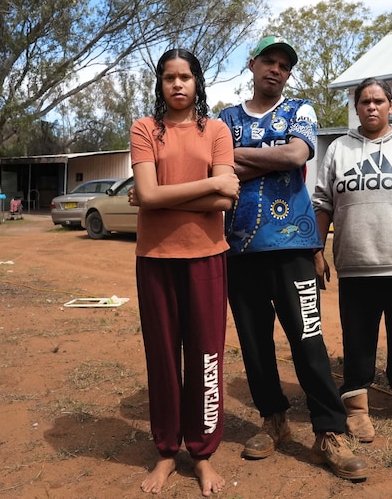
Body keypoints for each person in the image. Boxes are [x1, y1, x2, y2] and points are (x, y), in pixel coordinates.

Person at [218, 36, 367, 481]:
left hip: (294, 245)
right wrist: (267, 159)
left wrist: (235, 158)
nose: (276, 69)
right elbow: (216, 169)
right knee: (255, 343)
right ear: (252, 64)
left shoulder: (300, 110)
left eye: (284, 64)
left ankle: (329, 432)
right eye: (269, 61)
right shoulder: (225, 118)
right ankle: (274, 419)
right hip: (239, 247)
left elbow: (297, 153)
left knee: (308, 341)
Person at [129, 48, 239, 496]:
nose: (177, 85)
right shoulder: (144, 129)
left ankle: (203, 454)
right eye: (169, 77)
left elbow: (225, 200)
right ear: (159, 84)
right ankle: (166, 452)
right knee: (162, 357)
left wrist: (160, 196)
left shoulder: (216, 130)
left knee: (206, 357)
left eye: (186, 77)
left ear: (198, 83)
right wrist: (211, 183)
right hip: (155, 257)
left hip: (207, 256)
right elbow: (148, 195)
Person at [312, 77, 392, 442]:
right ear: (356, 108)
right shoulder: (339, 148)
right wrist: (317, 250)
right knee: (357, 341)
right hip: (355, 266)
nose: (371, 107)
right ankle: (356, 406)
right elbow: (322, 203)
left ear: (390, 105)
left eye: (378, 101)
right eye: (364, 101)